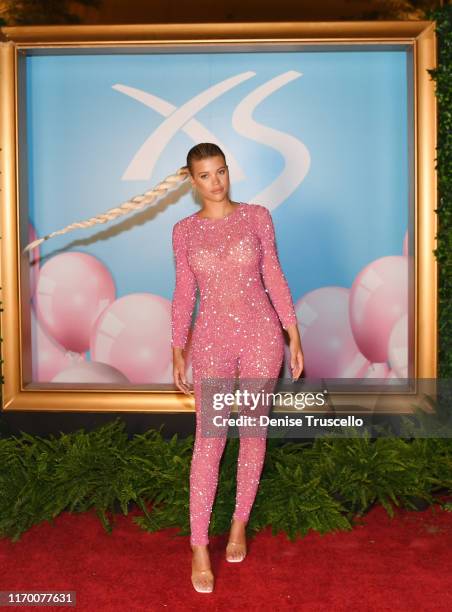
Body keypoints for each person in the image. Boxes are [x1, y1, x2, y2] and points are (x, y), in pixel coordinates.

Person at [171, 143, 304, 593]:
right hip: (210, 342)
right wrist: (178, 349)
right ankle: (198, 547)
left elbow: (275, 275)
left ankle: (238, 524)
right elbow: (184, 293)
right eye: (206, 175)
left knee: (252, 433)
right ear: (192, 181)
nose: (217, 182)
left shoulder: (257, 216)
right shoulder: (183, 231)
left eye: (222, 171)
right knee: (208, 443)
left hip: (261, 338)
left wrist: (293, 333)